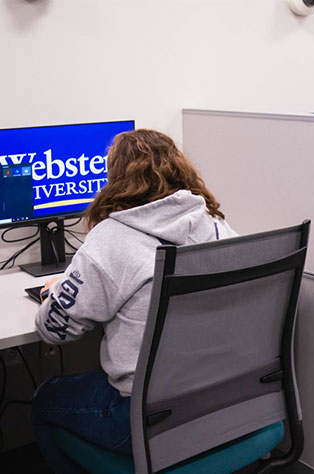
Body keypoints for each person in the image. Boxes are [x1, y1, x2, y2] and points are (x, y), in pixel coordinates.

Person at [31, 129, 236, 473]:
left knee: (44, 397)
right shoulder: (215, 224)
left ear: (115, 178)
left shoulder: (111, 240)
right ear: (179, 169)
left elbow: (55, 331)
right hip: (221, 400)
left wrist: (62, 289)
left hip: (145, 418)